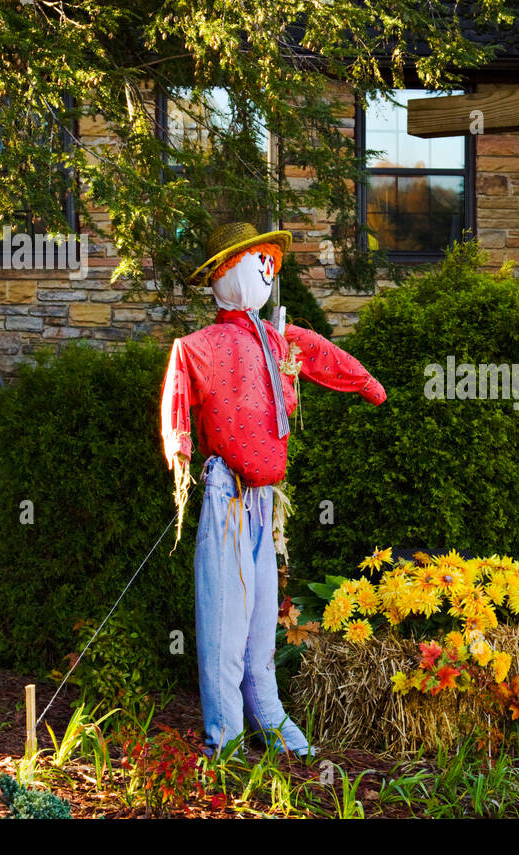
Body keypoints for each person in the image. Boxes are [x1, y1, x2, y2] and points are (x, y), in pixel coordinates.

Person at [159, 222, 386, 757]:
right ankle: (225, 741)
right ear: (226, 273)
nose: (266, 270)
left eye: (270, 262)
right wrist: (181, 451)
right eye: (256, 261)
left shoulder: (279, 340)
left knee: (262, 622)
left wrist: (369, 386)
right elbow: (178, 390)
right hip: (226, 493)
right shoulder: (202, 346)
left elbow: (326, 356)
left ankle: (270, 719)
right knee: (225, 623)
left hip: (265, 503)